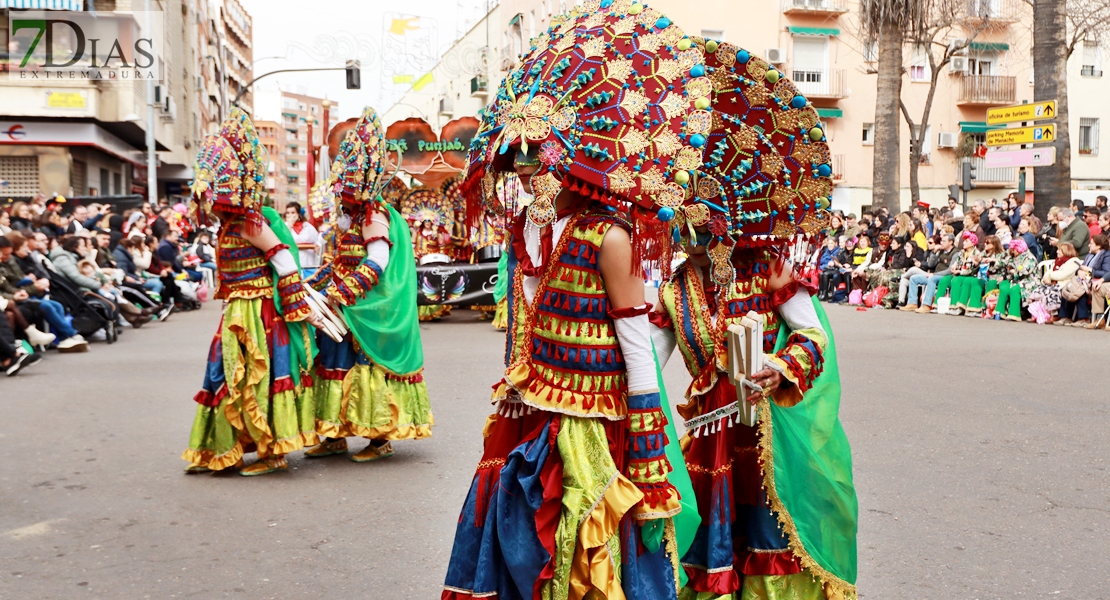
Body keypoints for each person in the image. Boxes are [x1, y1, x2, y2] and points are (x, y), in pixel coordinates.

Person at [444, 14, 710, 599]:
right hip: (533, 411)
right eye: (518, 158)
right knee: (518, 538)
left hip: (595, 426)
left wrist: (646, 447)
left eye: (537, 156)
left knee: (586, 546)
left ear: (574, 156)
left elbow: (638, 346)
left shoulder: (609, 236)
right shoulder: (527, 233)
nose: (526, 170)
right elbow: (527, 326)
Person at [182, 108, 322, 476]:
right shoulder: (228, 225)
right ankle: (223, 448)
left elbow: (285, 263)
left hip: (259, 313)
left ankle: (271, 452)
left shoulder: (249, 222)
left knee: (257, 377)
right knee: (225, 376)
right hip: (236, 312)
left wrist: (296, 306)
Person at [302, 106, 434, 463]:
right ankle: (333, 435)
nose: (341, 194)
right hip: (343, 306)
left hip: (366, 310)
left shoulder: (375, 214)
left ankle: (379, 439)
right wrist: (312, 284)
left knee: (366, 369)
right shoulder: (351, 217)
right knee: (331, 365)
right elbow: (339, 261)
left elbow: (376, 263)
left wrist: (341, 293)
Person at [996, 238, 1038, 322]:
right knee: (1004, 286)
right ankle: (1000, 312)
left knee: (1015, 288)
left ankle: (1014, 314)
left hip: (1029, 281)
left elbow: (1026, 271)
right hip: (1016, 280)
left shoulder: (1030, 258)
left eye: (1013, 250)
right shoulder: (1014, 257)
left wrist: (1014, 272)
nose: (1012, 252)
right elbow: (1002, 264)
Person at [283, 201, 320, 276]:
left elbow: (317, 240)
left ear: (298, 214)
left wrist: (317, 247)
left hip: (308, 262)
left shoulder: (308, 227)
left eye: (293, 213)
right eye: (288, 213)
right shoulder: (284, 226)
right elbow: (284, 240)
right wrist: (290, 225)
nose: (290, 215)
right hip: (291, 263)